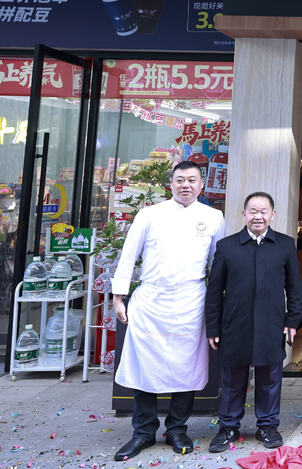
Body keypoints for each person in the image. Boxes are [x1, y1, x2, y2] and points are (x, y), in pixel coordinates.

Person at [111, 161, 227, 462]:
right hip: (151, 300)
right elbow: (128, 254)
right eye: (180, 180)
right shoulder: (150, 214)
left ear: (201, 185)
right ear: (170, 184)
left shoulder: (213, 217)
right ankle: (143, 431)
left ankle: (176, 429)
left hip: (191, 301)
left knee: (185, 368)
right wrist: (118, 297)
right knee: (144, 367)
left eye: (192, 180)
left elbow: (218, 264)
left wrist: (218, 306)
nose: (186, 185)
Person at [205, 192, 302, 452]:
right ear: (244, 214)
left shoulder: (284, 245)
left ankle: (267, 425)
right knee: (232, 380)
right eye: (253, 211)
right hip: (234, 324)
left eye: (263, 211)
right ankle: (228, 426)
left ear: (272, 214)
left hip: (272, 323)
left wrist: (292, 319)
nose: (258, 216)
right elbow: (214, 292)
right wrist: (213, 327)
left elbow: (295, 287)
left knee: (270, 378)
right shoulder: (227, 246)